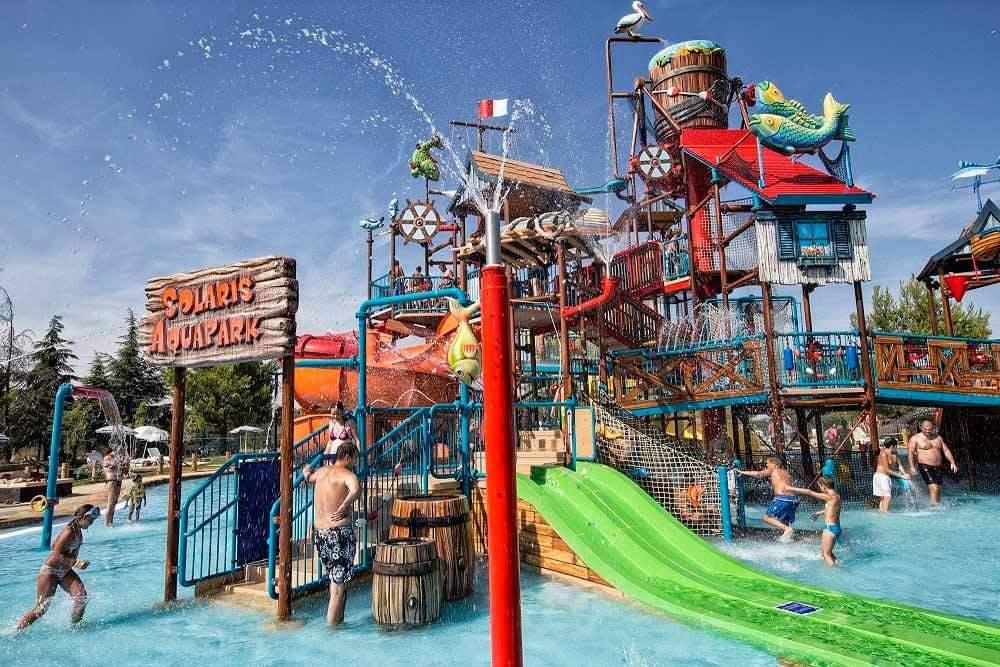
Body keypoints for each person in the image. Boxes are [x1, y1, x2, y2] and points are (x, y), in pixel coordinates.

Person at [302, 443, 363, 626]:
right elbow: (356, 489)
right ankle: (332, 631)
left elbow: (308, 476)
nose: (356, 463)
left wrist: (307, 469)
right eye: (355, 459)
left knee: (335, 581)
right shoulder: (347, 475)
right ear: (347, 457)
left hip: (320, 534)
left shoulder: (321, 473)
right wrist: (345, 505)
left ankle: (339, 623)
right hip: (338, 534)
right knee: (338, 587)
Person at [16, 504, 99, 629]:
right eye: (90, 520)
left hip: (65, 570)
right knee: (41, 609)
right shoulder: (69, 531)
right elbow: (55, 555)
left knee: (81, 597)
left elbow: (54, 545)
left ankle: (76, 628)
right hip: (50, 571)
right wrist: (76, 563)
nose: (92, 523)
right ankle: (15, 630)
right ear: (82, 517)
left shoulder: (76, 530)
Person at [736, 457, 799, 542]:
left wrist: (742, 472)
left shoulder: (773, 470)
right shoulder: (786, 473)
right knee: (784, 520)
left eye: (768, 463)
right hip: (792, 499)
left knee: (767, 518)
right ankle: (787, 538)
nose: (766, 465)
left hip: (782, 498)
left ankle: (787, 529)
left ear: (774, 465)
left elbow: (758, 474)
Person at [788, 477, 842, 567]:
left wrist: (790, 488)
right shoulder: (837, 496)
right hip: (836, 528)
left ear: (824, 486)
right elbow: (833, 510)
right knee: (828, 553)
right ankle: (837, 565)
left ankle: (836, 571)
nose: (820, 489)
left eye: (820, 486)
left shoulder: (829, 497)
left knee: (825, 554)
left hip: (830, 529)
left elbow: (809, 492)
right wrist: (818, 513)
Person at [907, 419, 958, 505]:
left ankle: (936, 504)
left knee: (938, 488)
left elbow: (946, 450)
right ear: (921, 427)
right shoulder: (915, 438)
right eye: (925, 429)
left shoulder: (938, 438)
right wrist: (912, 466)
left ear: (933, 428)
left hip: (938, 466)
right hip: (925, 466)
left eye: (929, 429)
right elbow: (910, 453)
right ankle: (934, 508)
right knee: (934, 487)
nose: (928, 431)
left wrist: (952, 462)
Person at [872, 437, 909, 512]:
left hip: (886, 477)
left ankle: (882, 513)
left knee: (884, 497)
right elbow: (887, 470)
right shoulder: (883, 454)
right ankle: (885, 514)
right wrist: (901, 476)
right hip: (881, 477)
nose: (897, 448)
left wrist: (905, 473)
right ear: (892, 446)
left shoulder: (895, 453)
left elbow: (899, 465)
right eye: (896, 446)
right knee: (887, 497)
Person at [101, 448, 122, 526]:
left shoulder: (115, 459)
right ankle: (106, 524)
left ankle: (110, 522)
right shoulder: (107, 458)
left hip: (117, 482)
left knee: (114, 504)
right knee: (110, 504)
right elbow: (111, 465)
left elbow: (123, 470)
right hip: (111, 481)